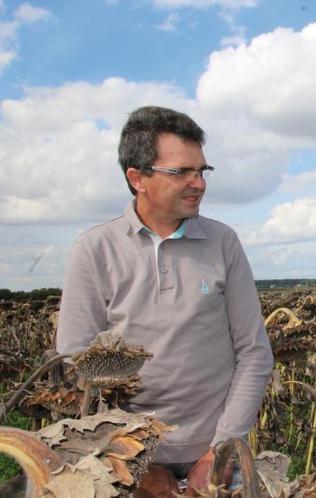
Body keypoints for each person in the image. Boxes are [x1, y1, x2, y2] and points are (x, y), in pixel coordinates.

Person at [56, 106, 274, 496]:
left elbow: (254, 353)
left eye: (202, 171)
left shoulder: (223, 242)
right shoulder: (95, 250)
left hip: (215, 451)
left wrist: (220, 452)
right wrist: (133, 459)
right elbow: (76, 362)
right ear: (137, 177)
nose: (198, 183)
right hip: (126, 458)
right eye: (181, 172)